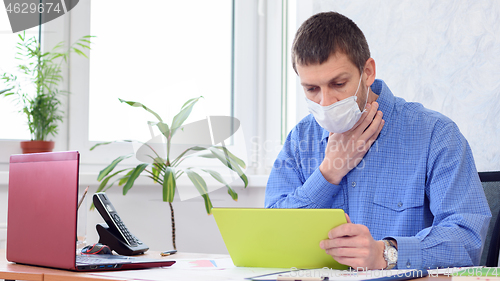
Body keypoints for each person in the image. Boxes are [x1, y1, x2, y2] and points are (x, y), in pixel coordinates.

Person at [265, 11, 491, 270]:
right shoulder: (300, 139)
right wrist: (328, 173)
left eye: (338, 84)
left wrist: (384, 253)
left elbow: (467, 239)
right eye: (311, 89)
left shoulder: (436, 135)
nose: (325, 102)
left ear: (368, 72)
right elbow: (270, 234)